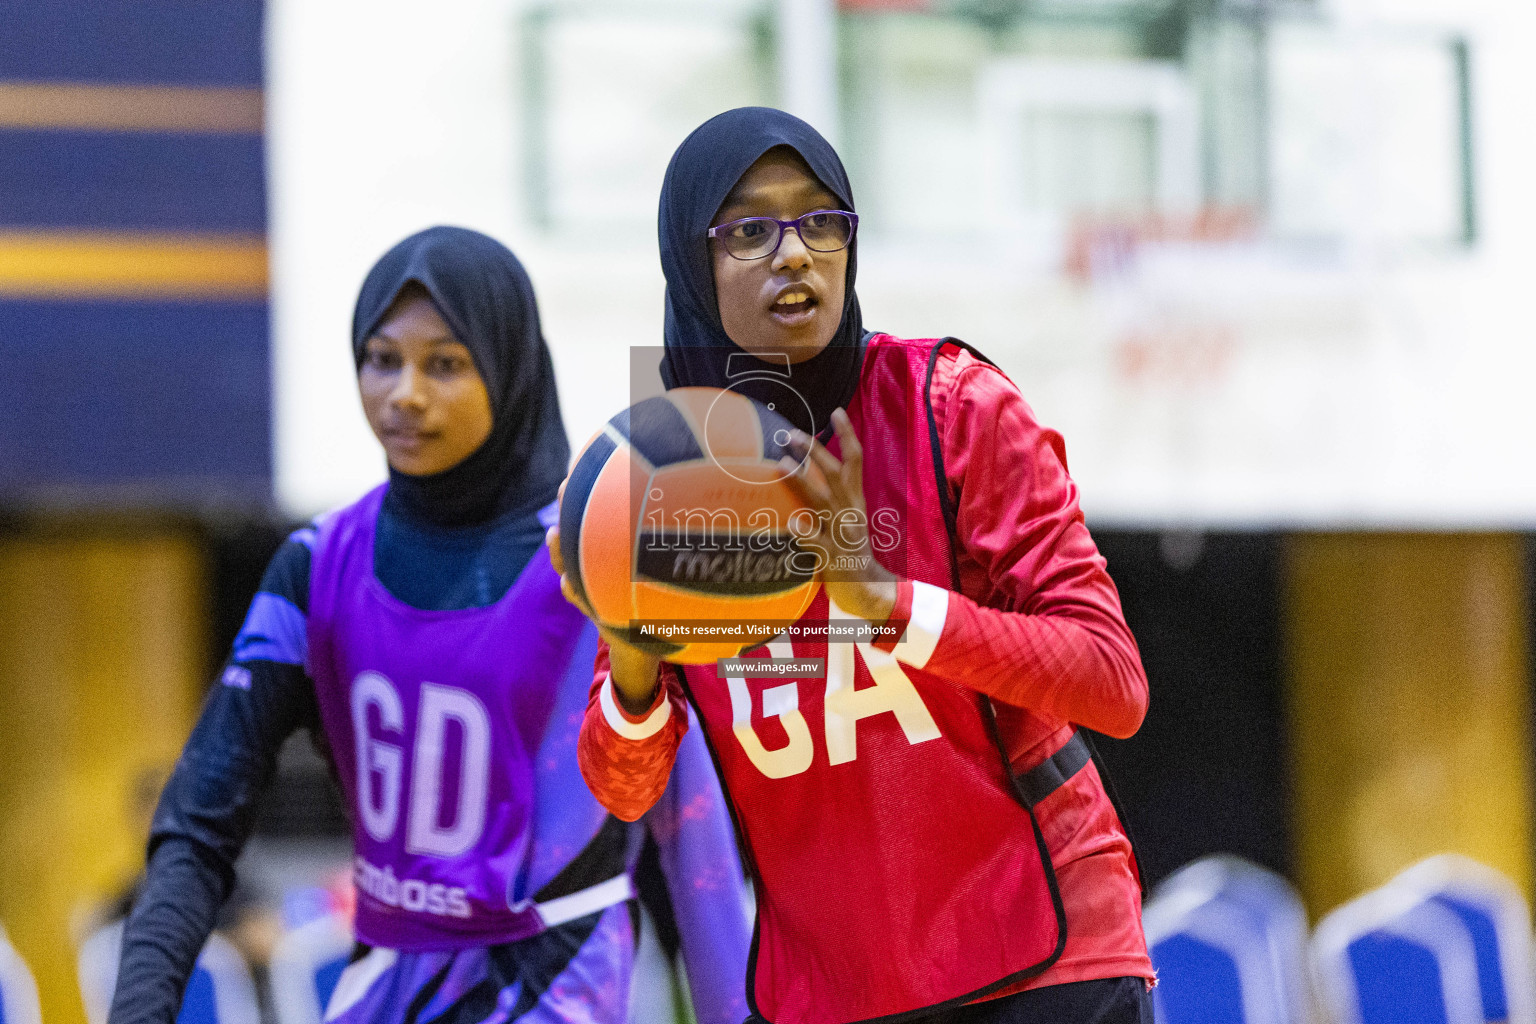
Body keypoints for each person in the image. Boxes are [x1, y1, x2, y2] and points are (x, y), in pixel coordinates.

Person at [551, 110, 1155, 1024]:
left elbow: (1114, 685)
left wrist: (884, 601)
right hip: (830, 992)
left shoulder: (952, 406)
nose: (793, 254)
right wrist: (632, 663)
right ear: (690, 261)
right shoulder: (655, 475)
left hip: (1047, 958)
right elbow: (625, 789)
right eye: (749, 229)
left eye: (820, 222)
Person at [109, 227, 751, 1024]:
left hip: (554, 982)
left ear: (508, 366)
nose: (404, 393)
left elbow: (689, 828)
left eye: (444, 364)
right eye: (381, 359)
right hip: (384, 982)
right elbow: (199, 819)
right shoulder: (315, 566)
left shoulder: (602, 556)